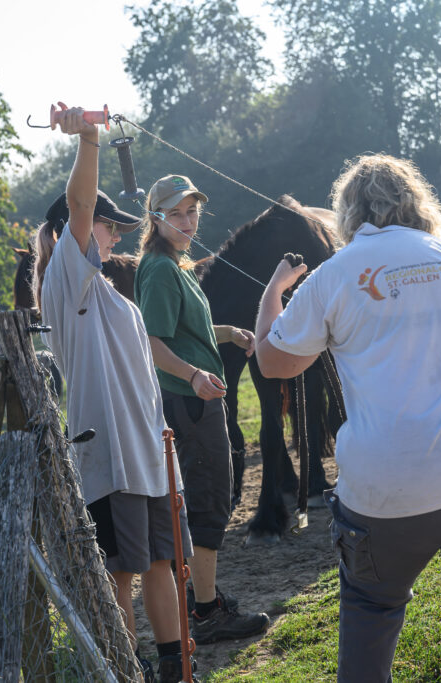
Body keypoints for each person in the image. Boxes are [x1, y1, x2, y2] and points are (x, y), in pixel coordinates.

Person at [255, 154, 441, 682]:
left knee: (372, 613)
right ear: (419, 202)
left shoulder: (334, 275)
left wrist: (273, 294)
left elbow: (275, 362)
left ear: (346, 214)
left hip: (391, 485)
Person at [34, 103, 192, 682]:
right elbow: (79, 204)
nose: (115, 234)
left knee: (162, 564)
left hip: (147, 454)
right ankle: (128, 672)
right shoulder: (66, 283)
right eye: (108, 226)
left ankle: (174, 667)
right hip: (111, 459)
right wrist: (91, 142)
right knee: (120, 573)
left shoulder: (111, 294)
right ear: (73, 233)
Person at [134, 174, 271, 644]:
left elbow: (185, 331)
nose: (188, 220)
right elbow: (151, 343)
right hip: (190, 402)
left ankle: (202, 599)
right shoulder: (158, 268)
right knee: (210, 496)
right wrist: (193, 375)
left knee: (211, 492)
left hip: (196, 397)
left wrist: (230, 332)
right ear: (155, 217)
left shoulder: (175, 264)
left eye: (193, 211)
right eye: (176, 213)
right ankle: (208, 612)